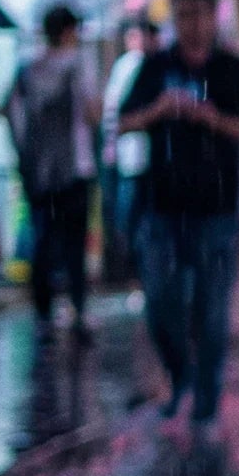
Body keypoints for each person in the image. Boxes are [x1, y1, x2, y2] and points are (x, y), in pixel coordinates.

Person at [117, 0, 239, 433]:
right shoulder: (155, 67)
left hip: (216, 208)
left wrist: (212, 119)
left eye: (199, 15)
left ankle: (206, 393)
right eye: (183, 16)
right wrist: (160, 110)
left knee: (213, 309)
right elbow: (123, 121)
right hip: (161, 206)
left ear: (213, 16)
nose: (192, 25)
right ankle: (180, 373)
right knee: (159, 300)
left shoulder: (232, 69)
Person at [2, 5, 101, 341]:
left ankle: (43, 316)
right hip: (76, 167)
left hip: (39, 171)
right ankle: (78, 313)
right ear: (68, 31)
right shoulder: (80, 65)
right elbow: (93, 115)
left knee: (43, 242)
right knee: (74, 246)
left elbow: (6, 111)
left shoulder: (27, 68)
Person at [101, 18, 155, 281]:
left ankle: (134, 266)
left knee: (134, 214)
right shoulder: (130, 66)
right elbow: (115, 113)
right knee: (131, 214)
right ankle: (131, 267)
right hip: (132, 157)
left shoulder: (144, 65)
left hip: (139, 158)